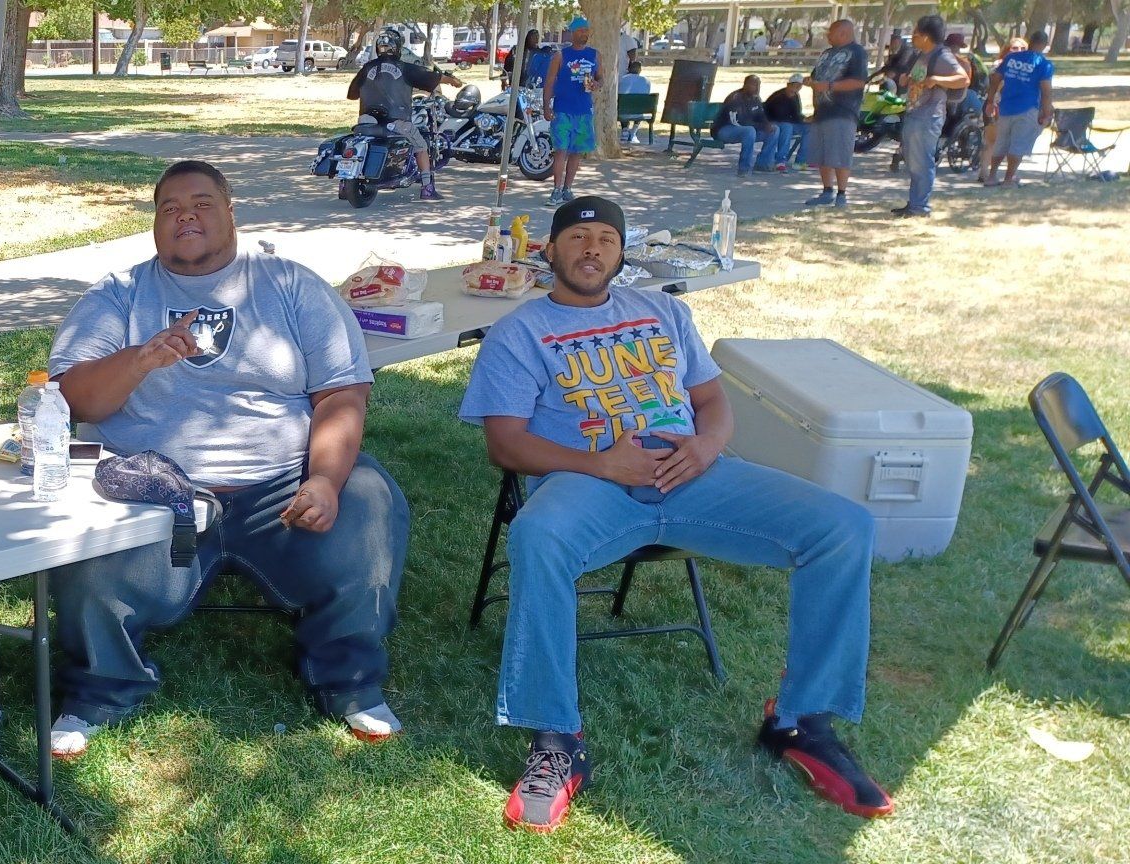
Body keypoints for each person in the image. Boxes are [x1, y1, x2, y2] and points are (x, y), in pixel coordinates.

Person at [459, 194, 892, 834]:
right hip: (592, 482)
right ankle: (557, 739)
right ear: (549, 251)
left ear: (621, 251)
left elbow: (713, 401)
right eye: (577, 238)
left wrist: (705, 447)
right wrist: (603, 464)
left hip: (694, 475)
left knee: (844, 527)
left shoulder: (663, 311)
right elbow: (505, 444)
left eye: (607, 238)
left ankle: (801, 719)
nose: (592, 248)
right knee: (538, 539)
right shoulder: (519, 332)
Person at [44, 160, 411, 759]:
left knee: (369, 503)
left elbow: (341, 393)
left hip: (279, 483)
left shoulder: (290, 284)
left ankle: (348, 679)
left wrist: (323, 478)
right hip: (157, 485)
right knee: (90, 564)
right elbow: (73, 397)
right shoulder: (119, 292)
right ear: (155, 224)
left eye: (202, 202)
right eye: (170, 207)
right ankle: (101, 689)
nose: (186, 215)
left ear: (231, 211)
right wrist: (139, 360)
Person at [347, 29, 463, 201]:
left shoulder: (367, 68)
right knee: (421, 145)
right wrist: (453, 80)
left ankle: (344, 186)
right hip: (394, 122)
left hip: (366, 123)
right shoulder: (404, 68)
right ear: (398, 47)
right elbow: (431, 77)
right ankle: (427, 188)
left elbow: (352, 94)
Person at [893, 16, 968, 218]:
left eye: (915, 33)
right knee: (913, 160)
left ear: (925, 36)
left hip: (928, 116)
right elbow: (918, 79)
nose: (913, 37)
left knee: (922, 161)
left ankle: (920, 207)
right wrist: (906, 79)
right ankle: (914, 203)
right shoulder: (922, 55)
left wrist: (936, 79)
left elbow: (963, 78)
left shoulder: (942, 55)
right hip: (914, 112)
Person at [804, 19, 871, 206]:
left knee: (840, 153)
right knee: (823, 153)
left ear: (843, 33)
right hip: (821, 110)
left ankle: (842, 193)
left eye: (831, 32)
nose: (827, 35)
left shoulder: (856, 52)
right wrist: (811, 82)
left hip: (843, 110)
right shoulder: (826, 53)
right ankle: (827, 191)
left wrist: (830, 85)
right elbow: (816, 75)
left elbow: (859, 81)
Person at [983, 32, 1054, 188]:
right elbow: (1046, 91)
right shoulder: (1044, 64)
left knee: (1001, 142)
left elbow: (995, 79)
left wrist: (990, 100)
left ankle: (992, 176)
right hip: (1027, 108)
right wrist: (1047, 113)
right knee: (1018, 144)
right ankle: (1009, 179)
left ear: (1029, 41)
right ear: (1044, 45)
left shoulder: (1010, 58)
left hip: (1006, 107)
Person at [543, 17, 601, 204]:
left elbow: (601, 78)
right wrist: (546, 105)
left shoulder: (594, 55)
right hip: (562, 109)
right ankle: (557, 189)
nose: (584, 34)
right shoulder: (561, 55)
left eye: (586, 30)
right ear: (572, 33)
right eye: (580, 31)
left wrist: (595, 84)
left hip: (583, 110)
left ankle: (568, 188)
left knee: (577, 151)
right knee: (561, 150)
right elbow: (550, 81)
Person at [713, 74, 782, 176]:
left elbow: (761, 116)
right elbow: (739, 122)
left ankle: (763, 164)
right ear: (745, 85)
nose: (757, 88)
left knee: (774, 129)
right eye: (754, 85)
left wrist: (767, 124)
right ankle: (744, 168)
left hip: (748, 130)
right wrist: (761, 126)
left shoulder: (755, 98)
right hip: (725, 130)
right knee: (749, 131)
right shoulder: (735, 98)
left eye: (758, 85)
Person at [764, 73, 811, 171]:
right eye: (795, 85)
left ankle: (801, 161)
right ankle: (780, 160)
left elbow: (796, 113)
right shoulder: (779, 96)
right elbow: (780, 116)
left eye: (799, 85)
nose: (797, 87)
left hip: (789, 122)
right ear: (788, 84)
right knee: (787, 127)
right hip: (774, 122)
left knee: (809, 128)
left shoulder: (795, 96)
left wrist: (805, 120)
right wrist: (802, 119)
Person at [618, 61, 652, 144]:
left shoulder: (621, 79)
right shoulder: (646, 81)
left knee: (624, 104)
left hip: (623, 112)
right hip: (639, 112)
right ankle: (634, 131)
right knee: (639, 105)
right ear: (640, 70)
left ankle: (625, 130)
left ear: (629, 69)